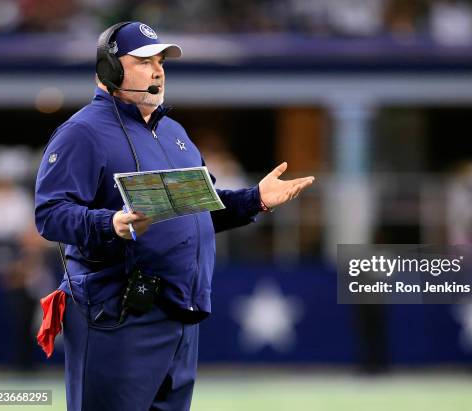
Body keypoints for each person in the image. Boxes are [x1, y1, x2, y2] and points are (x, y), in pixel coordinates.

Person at [34, 21, 314, 411]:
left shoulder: (173, 133)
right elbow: (50, 213)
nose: (158, 70)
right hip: (117, 317)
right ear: (110, 69)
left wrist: (255, 200)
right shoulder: (81, 132)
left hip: (179, 315)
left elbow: (198, 209)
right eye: (145, 60)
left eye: (161, 61)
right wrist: (109, 224)